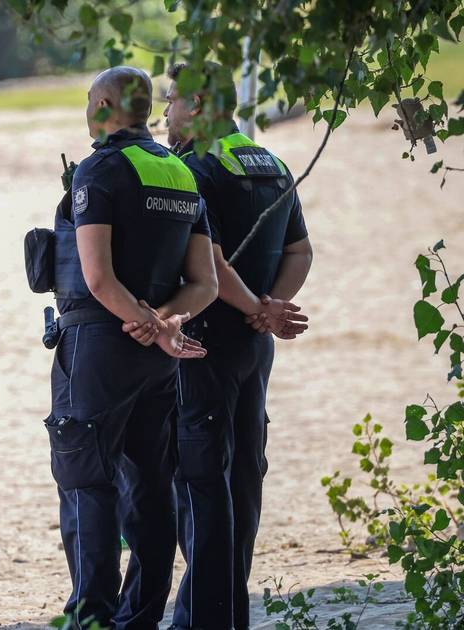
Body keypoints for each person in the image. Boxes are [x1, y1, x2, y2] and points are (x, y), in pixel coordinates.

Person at [47, 66, 219, 629]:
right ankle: (140, 616)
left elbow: (97, 277)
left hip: (100, 345)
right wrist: (162, 324)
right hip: (155, 355)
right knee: (149, 484)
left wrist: (140, 319)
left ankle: (91, 615)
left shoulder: (98, 171)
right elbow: (205, 284)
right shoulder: (179, 174)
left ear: (101, 105)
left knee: (86, 479)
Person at [162, 62, 314, 630]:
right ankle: (230, 611)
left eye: (173, 101)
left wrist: (254, 307)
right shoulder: (271, 163)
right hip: (255, 348)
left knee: (202, 480)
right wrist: (272, 308)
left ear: (198, 105)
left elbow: (212, 263)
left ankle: (203, 617)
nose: (165, 114)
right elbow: (301, 253)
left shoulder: (193, 168)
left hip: (205, 342)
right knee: (245, 475)